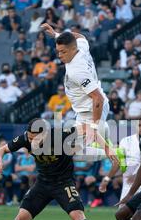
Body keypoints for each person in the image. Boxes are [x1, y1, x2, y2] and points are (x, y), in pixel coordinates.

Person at [41, 23, 119, 165]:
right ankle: (104, 137)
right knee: (76, 144)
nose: (60, 55)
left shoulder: (77, 71)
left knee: (71, 151)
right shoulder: (80, 46)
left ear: (72, 49)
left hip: (91, 110)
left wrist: (94, 127)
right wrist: (56, 35)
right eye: (58, 51)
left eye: (63, 52)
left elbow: (97, 99)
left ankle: (117, 152)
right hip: (86, 108)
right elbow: (80, 37)